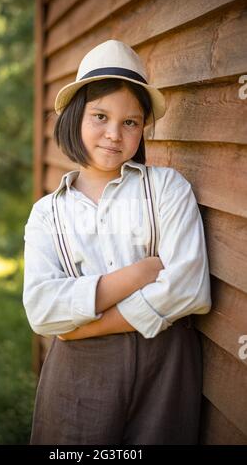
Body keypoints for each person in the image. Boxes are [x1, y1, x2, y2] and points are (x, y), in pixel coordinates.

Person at [23, 40, 211, 445]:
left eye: (131, 122)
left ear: (143, 129)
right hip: (78, 372)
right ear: (75, 118)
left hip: (167, 363)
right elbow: (42, 311)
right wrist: (139, 273)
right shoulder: (47, 214)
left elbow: (189, 290)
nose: (114, 134)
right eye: (100, 116)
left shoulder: (166, 189)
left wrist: (84, 327)